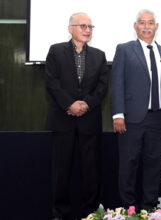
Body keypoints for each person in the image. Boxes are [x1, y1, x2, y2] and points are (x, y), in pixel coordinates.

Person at [45, 12, 109, 219]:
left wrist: (86, 104)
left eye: (90, 26)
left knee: (91, 173)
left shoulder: (99, 55)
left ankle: (89, 214)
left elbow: (102, 87)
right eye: (82, 26)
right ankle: (59, 214)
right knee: (61, 172)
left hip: (89, 121)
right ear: (70, 28)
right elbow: (52, 82)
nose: (87, 30)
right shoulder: (56, 51)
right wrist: (69, 104)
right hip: (63, 120)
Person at [110, 9, 161, 211]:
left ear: (156, 27)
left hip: (158, 120)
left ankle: (149, 209)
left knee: (154, 167)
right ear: (135, 26)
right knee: (128, 166)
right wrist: (118, 114)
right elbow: (117, 83)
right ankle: (129, 208)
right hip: (131, 119)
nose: (146, 26)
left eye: (150, 23)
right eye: (142, 22)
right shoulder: (124, 49)